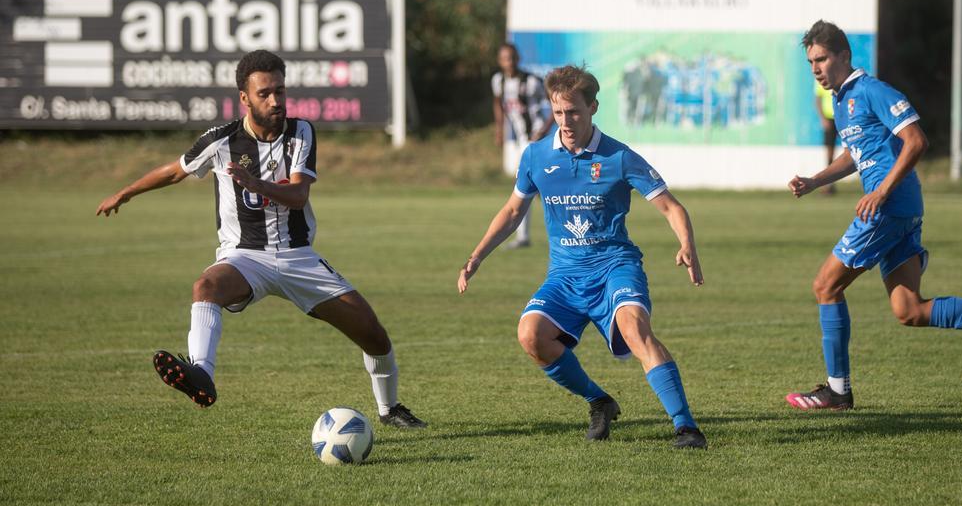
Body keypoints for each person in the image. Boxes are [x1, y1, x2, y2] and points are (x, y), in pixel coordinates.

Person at [96, 50, 425, 429]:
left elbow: (299, 195)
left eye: (280, 91)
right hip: (244, 258)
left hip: (298, 257)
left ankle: (389, 409)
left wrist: (255, 183)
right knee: (205, 285)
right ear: (245, 98)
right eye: (265, 93)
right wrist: (126, 192)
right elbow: (175, 171)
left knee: (374, 334)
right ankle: (201, 374)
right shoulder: (220, 141)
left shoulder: (301, 132)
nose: (276, 101)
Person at [785, 20, 962, 411]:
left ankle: (838, 391)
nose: (816, 69)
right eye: (811, 63)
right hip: (901, 208)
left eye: (822, 59)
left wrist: (882, 190)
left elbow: (917, 140)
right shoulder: (841, 100)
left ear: (844, 55)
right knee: (908, 310)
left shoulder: (872, 90)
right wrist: (815, 180)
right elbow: (854, 156)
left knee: (826, 286)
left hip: (889, 208)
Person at [459, 65, 708, 449]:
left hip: (615, 267)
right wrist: (476, 256)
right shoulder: (536, 156)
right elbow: (512, 212)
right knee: (531, 335)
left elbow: (672, 208)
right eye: (558, 112)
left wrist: (686, 244)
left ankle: (686, 427)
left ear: (593, 107)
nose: (566, 120)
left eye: (573, 111)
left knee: (635, 330)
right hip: (565, 275)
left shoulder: (619, 157)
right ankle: (600, 401)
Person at [492, 42, 553, 248]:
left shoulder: (531, 81)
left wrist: (544, 129)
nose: (509, 61)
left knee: (523, 185)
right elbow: (498, 105)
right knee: (537, 188)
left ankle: (523, 237)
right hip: (520, 140)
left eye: (512, 57)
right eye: (505, 58)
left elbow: (556, 103)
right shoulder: (498, 81)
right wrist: (499, 129)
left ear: (518, 58)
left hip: (534, 139)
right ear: (500, 61)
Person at [814, 78, 837, 194]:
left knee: (853, 150)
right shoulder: (821, 79)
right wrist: (823, 118)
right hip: (829, 118)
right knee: (829, 154)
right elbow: (818, 99)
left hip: (842, 117)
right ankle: (828, 184)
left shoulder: (840, 77)